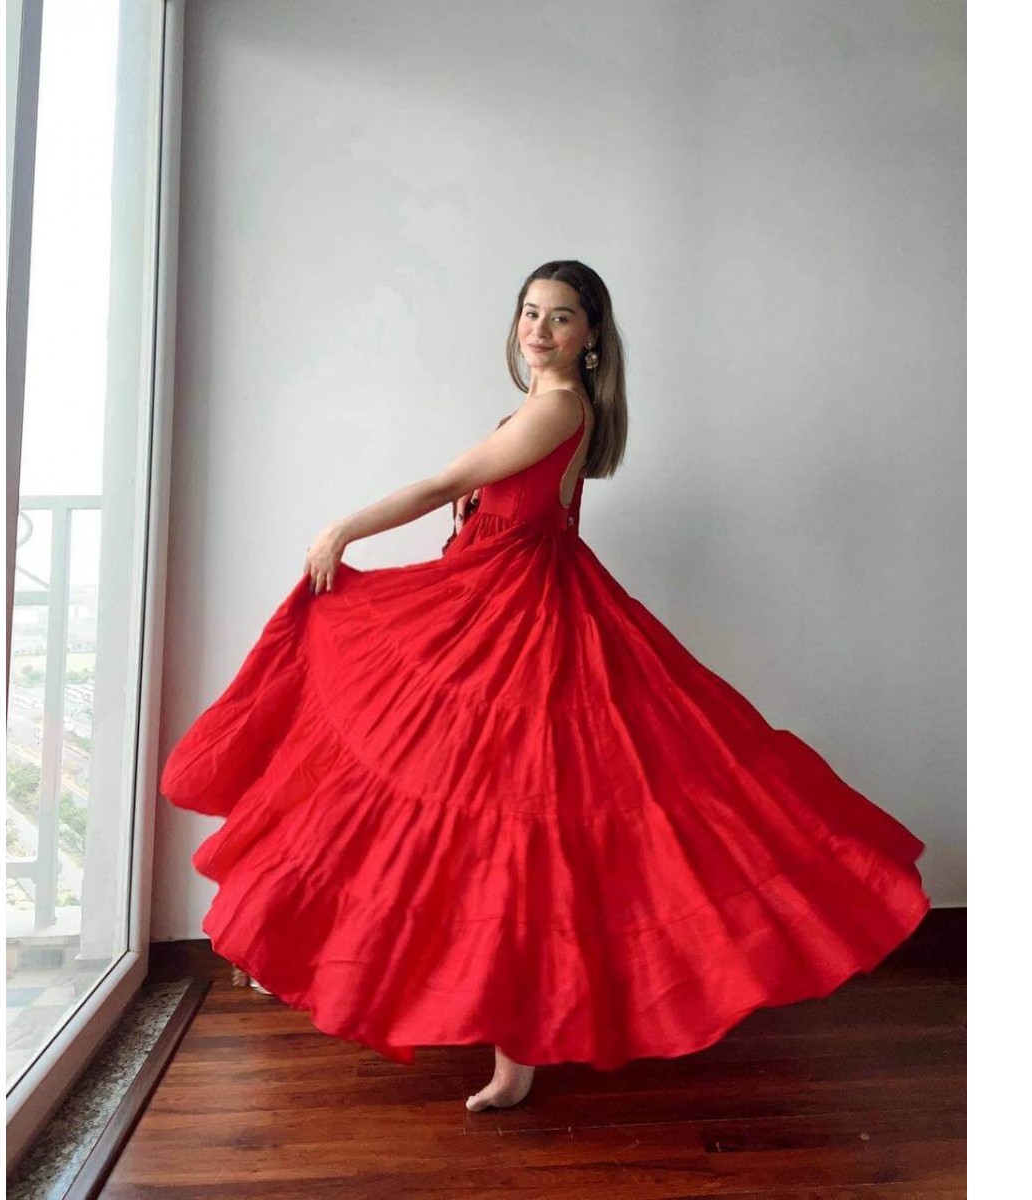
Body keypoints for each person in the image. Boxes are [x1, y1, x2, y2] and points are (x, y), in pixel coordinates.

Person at [160, 259, 931, 1114]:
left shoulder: (560, 406)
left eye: (562, 316)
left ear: (592, 334)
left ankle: (514, 1049)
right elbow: (497, 502)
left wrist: (343, 529)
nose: (539, 329)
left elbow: (446, 483)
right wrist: (475, 515)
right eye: (531, 312)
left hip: (524, 625)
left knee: (518, 822)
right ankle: (324, 957)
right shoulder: (545, 406)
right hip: (494, 608)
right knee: (420, 794)